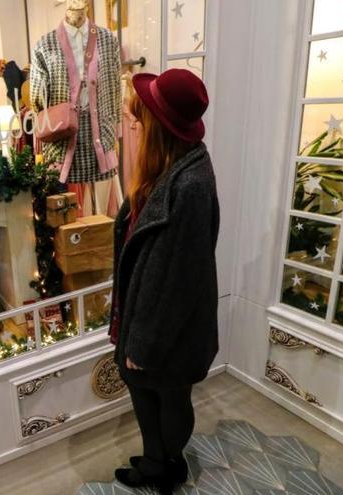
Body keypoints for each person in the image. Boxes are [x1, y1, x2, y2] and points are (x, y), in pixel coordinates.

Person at [109, 68, 219, 495]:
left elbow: (177, 278)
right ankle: (159, 459)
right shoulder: (172, 166)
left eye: (138, 119)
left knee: (168, 397)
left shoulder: (188, 184)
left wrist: (144, 344)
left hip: (167, 328)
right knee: (146, 394)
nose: (132, 126)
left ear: (157, 126)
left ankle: (167, 465)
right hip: (149, 317)